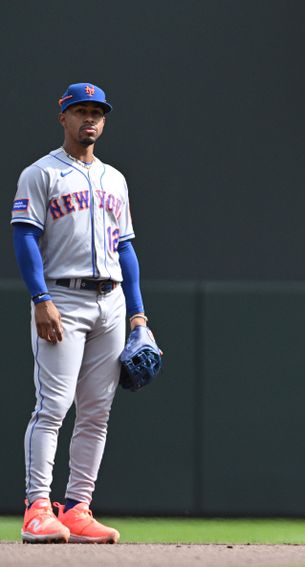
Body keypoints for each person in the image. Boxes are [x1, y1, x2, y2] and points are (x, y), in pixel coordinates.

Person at [11, 82, 153, 544]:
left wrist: (138, 317)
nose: (88, 118)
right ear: (63, 118)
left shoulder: (115, 178)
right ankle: (36, 507)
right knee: (52, 407)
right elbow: (24, 237)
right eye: (80, 111)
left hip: (111, 302)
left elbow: (126, 248)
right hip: (62, 298)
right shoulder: (41, 173)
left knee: (96, 413)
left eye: (96, 112)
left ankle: (77, 508)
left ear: (104, 120)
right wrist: (39, 299)